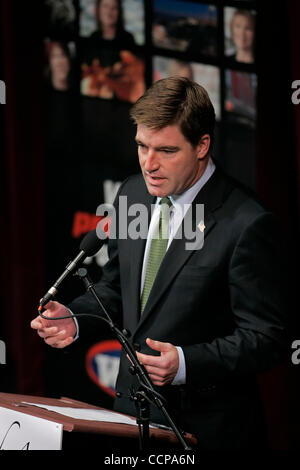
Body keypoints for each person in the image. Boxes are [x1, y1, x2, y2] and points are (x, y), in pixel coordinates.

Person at [31, 77, 288, 450]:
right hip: (128, 423)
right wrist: (75, 318)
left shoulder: (246, 223)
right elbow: (117, 287)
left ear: (202, 146)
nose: (149, 164)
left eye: (166, 150)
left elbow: (267, 338)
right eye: (142, 146)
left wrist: (185, 363)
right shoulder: (133, 192)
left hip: (205, 433)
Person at [80, 0, 144, 102]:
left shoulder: (128, 39)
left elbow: (136, 74)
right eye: (105, 6)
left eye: (113, 8)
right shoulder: (93, 38)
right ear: (98, 10)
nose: (109, 12)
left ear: (119, 12)